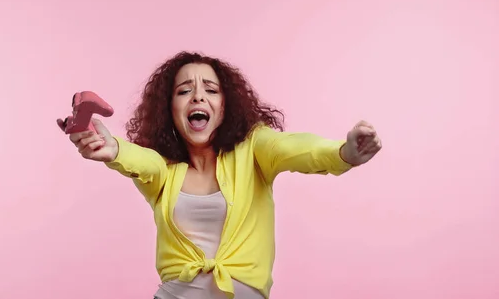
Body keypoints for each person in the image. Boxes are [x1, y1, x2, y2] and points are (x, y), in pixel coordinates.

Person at [63, 51, 382, 299]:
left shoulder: (255, 149)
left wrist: (343, 153)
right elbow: (140, 160)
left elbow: (296, 148)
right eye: (184, 90)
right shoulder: (164, 171)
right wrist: (113, 148)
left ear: (226, 105)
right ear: (169, 109)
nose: (198, 97)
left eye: (211, 90)